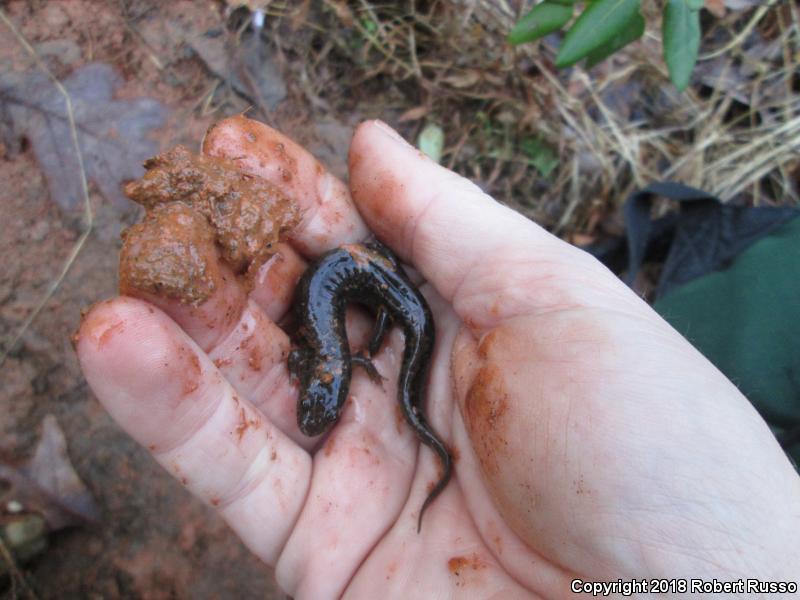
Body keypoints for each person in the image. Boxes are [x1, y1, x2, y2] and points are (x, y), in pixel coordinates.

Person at [75, 118, 800, 598]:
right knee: (388, 315)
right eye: (321, 397)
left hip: (388, 294)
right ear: (321, 379)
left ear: (322, 379)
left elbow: (332, 348)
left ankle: (414, 375)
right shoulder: (326, 364)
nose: (315, 404)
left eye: (319, 398)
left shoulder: (327, 361)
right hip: (371, 286)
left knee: (405, 322)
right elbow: (328, 350)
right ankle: (411, 371)